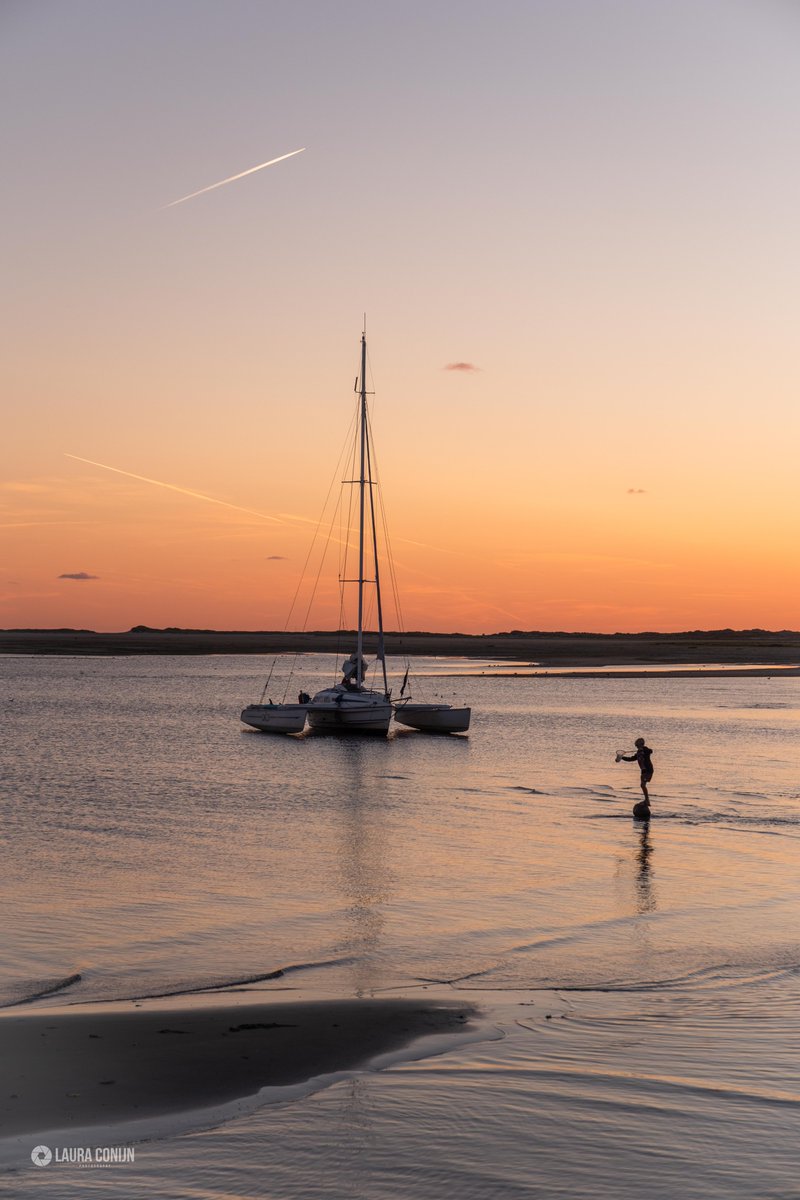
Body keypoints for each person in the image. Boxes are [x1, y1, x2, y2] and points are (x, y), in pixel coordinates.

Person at [617, 737, 654, 815]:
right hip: (643, 771)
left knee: (642, 785)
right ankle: (646, 800)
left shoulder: (645, 750)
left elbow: (651, 751)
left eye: (637, 746)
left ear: (641, 745)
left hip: (648, 770)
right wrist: (622, 757)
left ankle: (647, 800)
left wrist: (643, 749)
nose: (637, 747)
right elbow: (631, 759)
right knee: (642, 785)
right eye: (636, 746)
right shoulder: (638, 753)